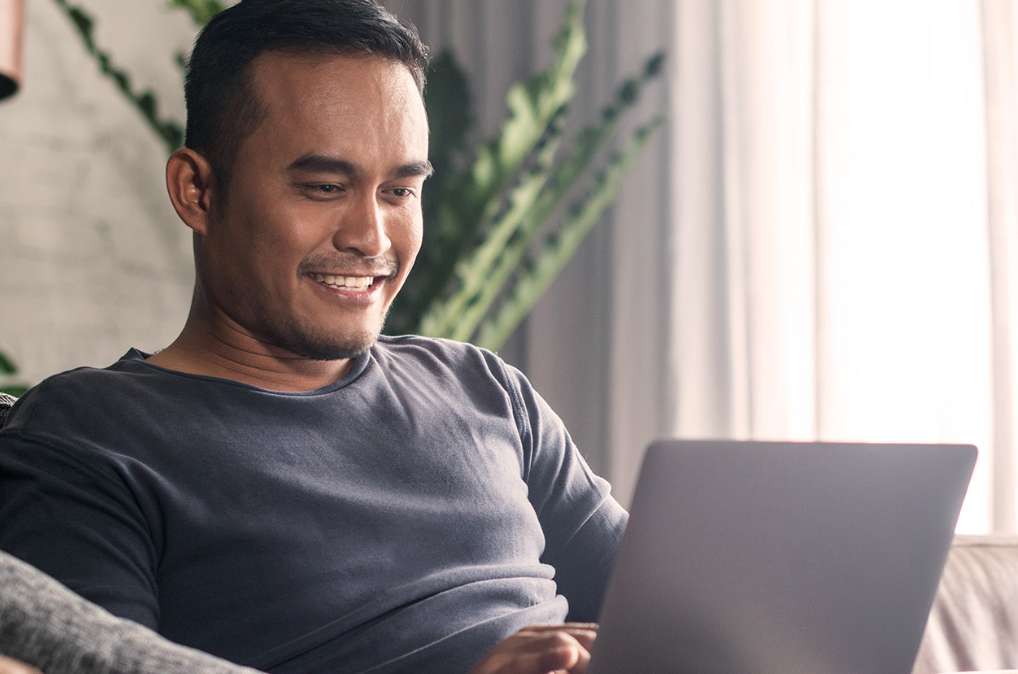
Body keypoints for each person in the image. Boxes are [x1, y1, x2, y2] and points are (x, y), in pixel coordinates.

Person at [0, 1, 627, 672]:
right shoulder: (86, 438)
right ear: (197, 191)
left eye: (399, 191)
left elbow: (675, 609)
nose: (371, 237)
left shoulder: (485, 388)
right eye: (325, 186)